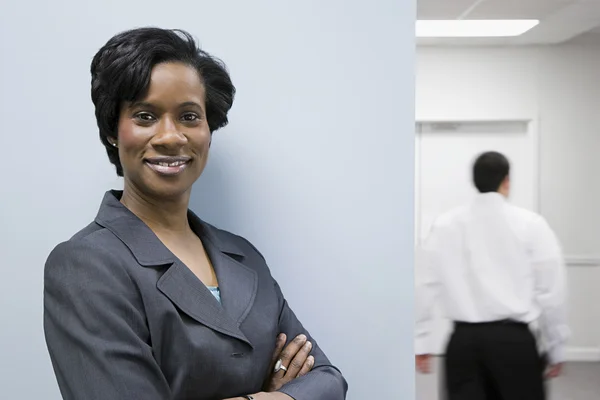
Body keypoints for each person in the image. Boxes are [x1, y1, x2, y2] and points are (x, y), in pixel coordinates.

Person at [43, 27, 348, 400]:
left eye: (189, 116)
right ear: (112, 130)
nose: (171, 136)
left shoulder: (244, 256)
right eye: (144, 115)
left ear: (208, 128)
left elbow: (329, 381)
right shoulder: (85, 265)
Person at [414, 151, 570, 400]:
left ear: (474, 181)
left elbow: (423, 284)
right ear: (506, 180)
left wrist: (420, 341)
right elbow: (551, 291)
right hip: (514, 344)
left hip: (463, 345)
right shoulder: (531, 224)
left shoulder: (444, 225)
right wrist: (557, 345)